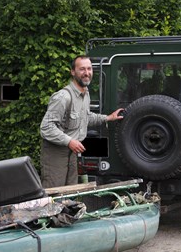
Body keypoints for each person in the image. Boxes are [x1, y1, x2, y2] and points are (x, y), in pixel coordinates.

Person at [40, 56, 124, 188]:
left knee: (70, 193)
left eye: (89, 69)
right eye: (82, 69)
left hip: (72, 153)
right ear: (73, 72)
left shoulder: (86, 94)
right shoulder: (63, 97)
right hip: (56, 152)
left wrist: (108, 118)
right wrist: (70, 141)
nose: (87, 72)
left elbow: (86, 117)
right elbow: (46, 127)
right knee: (53, 193)